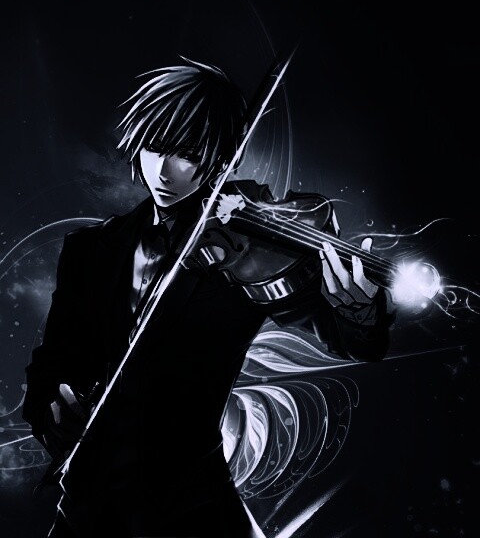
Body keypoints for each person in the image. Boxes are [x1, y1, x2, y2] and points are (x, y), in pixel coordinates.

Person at [22, 58, 394, 538]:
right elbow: (51, 362)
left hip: (192, 509)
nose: (163, 170)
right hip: (86, 510)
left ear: (222, 156)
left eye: (187, 154)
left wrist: (358, 311)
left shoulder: (250, 248)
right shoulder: (89, 250)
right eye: (154, 147)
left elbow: (347, 338)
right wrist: (52, 412)